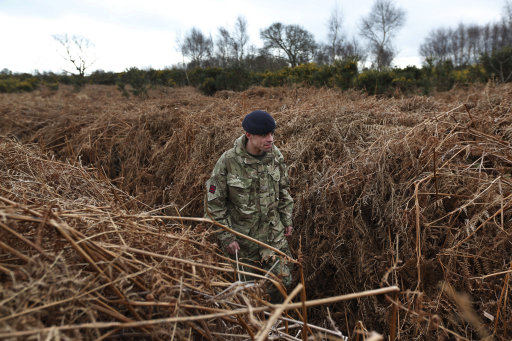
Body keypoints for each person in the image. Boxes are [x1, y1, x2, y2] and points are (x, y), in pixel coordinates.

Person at [204, 110, 294, 293]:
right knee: (246, 291)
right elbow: (213, 203)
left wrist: (286, 220)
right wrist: (226, 237)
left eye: (272, 134)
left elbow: (284, 189)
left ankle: (276, 319)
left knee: (283, 283)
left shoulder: (275, 156)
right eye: (263, 135)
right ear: (249, 135)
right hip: (243, 243)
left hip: (273, 236)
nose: (270, 139)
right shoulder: (228, 161)